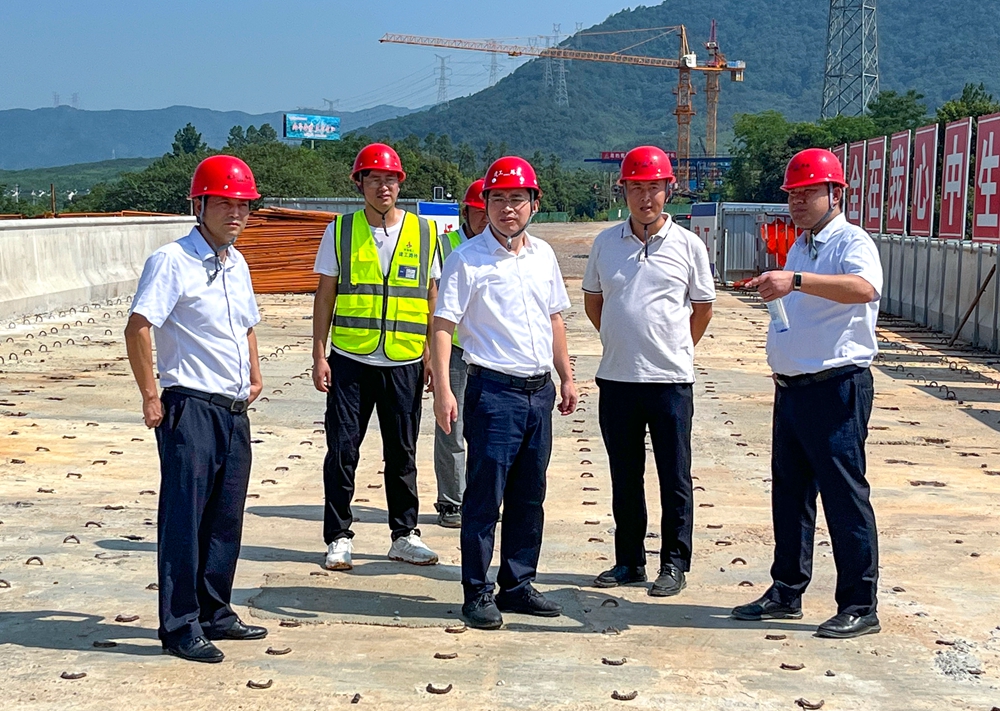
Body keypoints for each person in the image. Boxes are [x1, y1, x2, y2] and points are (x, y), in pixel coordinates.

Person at [732, 148, 883, 639]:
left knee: (843, 496)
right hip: (793, 388)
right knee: (791, 495)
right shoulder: (802, 244)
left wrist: (795, 279)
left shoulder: (851, 241)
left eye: (808, 193)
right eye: (793, 194)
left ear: (835, 193)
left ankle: (859, 603)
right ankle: (786, 590)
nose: (797, 202)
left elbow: (864, 289)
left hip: (835, 387)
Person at [124, 155, 266, 663]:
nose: (236, 214)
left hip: (233, 410)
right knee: (184, 519)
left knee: (225, 518)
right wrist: (150, 394)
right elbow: (138, 327)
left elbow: (245, 324)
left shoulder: (236, 263)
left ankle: (215, 611)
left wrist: (254, 373)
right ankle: (180, 624)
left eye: (243, 205)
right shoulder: (172, 261)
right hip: (190, 407)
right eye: (225, 204)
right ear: (199, 205)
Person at [431, 156, 577, 630]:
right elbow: (442, 326)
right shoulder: (466, 259)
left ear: (534, 203)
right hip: (493, 393)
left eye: (517, 198)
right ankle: (477, 591)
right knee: (483, 498)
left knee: (529, 496)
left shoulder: (544, 256)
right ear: (485, 205)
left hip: (539, 393)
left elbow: (554, 318)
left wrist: (566, 376)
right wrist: (442, 390)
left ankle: (517, 584)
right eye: (498, 199)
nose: (507, 208)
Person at [582, 146, 715, 597]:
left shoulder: (689, 245)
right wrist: (622, 339)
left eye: (654, 187)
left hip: (670, 382)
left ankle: (674, 563)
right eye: (636, 187)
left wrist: (673, 348)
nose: (645, 197)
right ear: (623, 190)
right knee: (625, 476)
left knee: (674, 477)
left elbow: (702, 309)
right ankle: (629, 561)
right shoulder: (605, 243)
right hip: (618, 378)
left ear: (668, 190)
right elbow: (594, 303)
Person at [312, 142, 440, 571]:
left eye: (390, 179)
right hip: (350, 359)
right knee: (342, 451)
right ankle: (338, 536)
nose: (383, 187)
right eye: (374, 179)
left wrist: (430, 354)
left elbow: (431, 295)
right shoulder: (340, 230)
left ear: (400, 184)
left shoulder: (425, 232)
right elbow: (325, 294)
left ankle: (404, 535)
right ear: (359, 183)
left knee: (402, 453)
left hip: (404, 360)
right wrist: (319, 353)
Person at [433, 178, 489, 528]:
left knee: (486, 430)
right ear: (465, 212)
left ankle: (482, 498)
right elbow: (432, 300)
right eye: (478, 212)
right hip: (454, 349)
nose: (485, 218)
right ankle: (452, 501)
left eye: (488, 211)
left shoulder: (501, 245)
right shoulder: (444, 246)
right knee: (451, 426)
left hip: (486, 352)